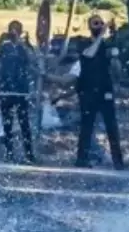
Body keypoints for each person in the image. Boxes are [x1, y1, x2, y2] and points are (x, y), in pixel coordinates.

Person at [50, 14, 124, 170]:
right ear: (90, 26)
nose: (99, 26)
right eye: (95, 23)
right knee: (87, 127)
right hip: (87, 92)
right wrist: (101, 37)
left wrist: (116, 58)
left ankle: (118, 161)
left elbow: (117, 71)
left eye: (101, 23)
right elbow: (88, 55)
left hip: (105, 90)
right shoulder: (83, 43)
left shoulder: (107, 46)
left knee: (112, 126)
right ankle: (81, 159)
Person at [0, 21, 40, 163]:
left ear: (21, 31)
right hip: (5, 90)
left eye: (16, 30)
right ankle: (9, 153)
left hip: (21, 91)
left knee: (24, 123)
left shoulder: (24, 46)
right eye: (11, 29)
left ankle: (29, 155)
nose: (13, 32)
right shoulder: (3, 46)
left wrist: (24, 44)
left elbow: (32, 61)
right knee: (7, 124)